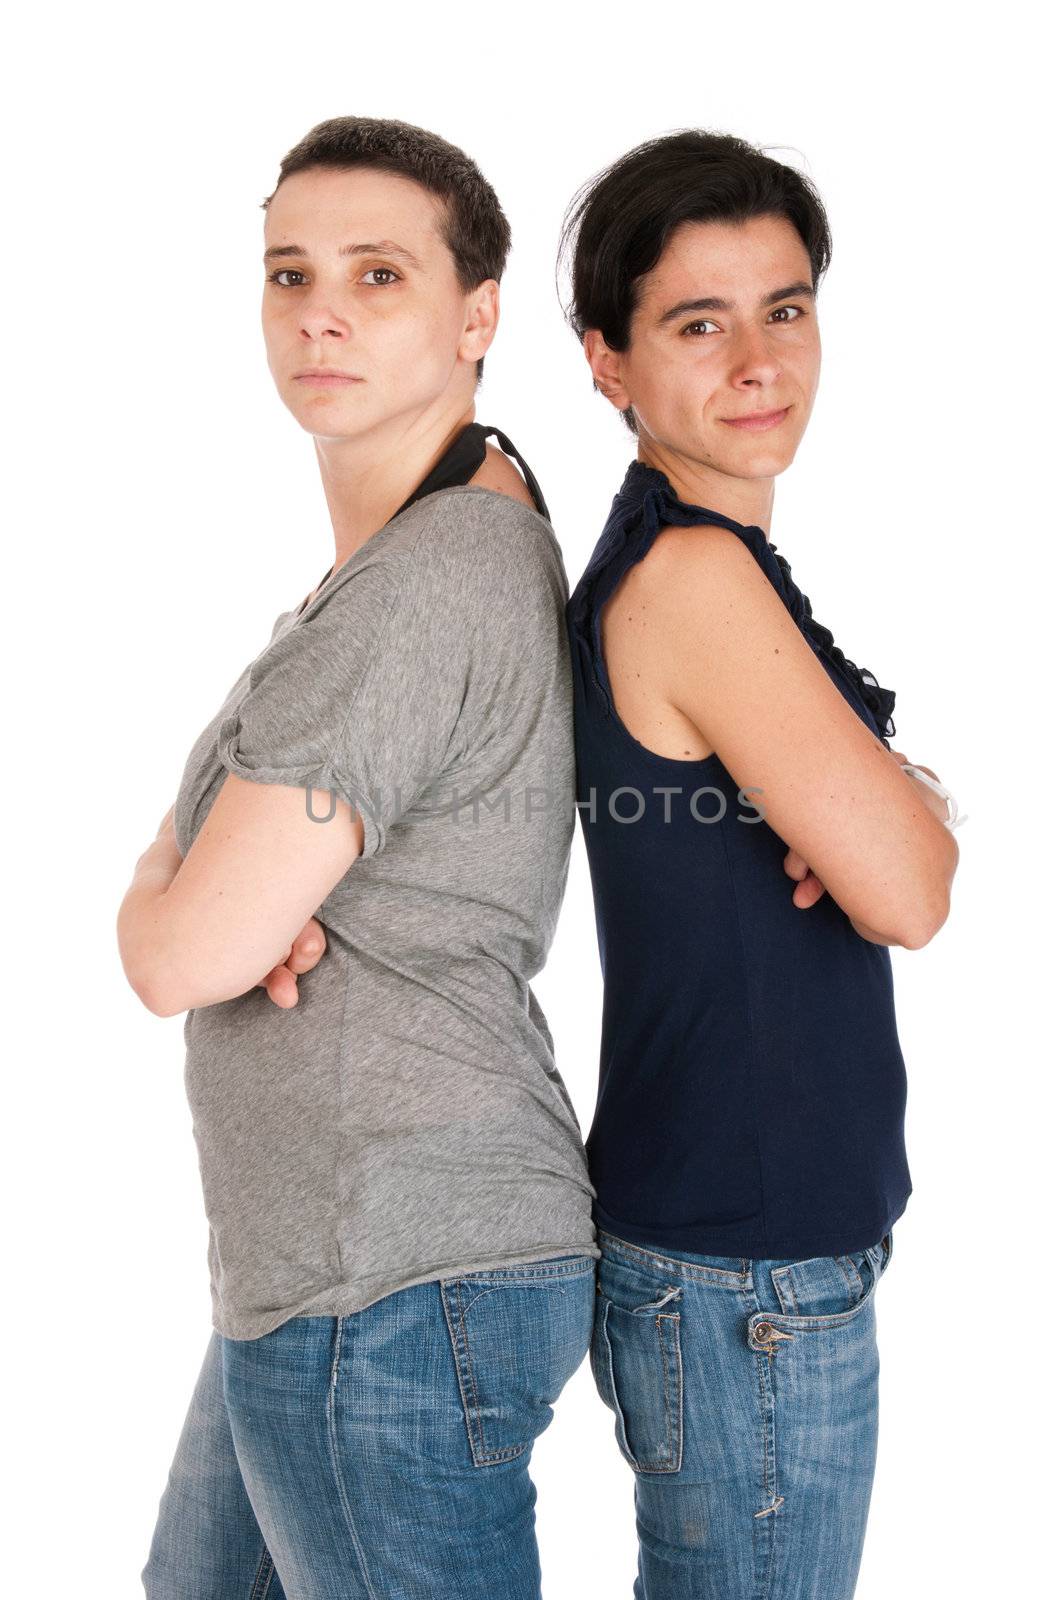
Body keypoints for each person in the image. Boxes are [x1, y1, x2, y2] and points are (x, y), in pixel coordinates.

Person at [117, 115, 597, 1600]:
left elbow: (180, 955)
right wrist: (211, 873)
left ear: (476, 316)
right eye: (289, 272)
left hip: (388, 1278)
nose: (318, 310)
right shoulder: (428, 548)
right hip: (336, 1274)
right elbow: (220, 917)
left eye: (378, 274)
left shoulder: (427, 582)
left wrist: (172, 882)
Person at [558, 129, 960, 1598]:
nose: (758, 360)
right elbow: (911, 889)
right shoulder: (695, 576)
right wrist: (879, 818)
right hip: (750, 1277)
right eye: (696, 323)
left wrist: (875, 799)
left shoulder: (713, 554)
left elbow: (894, 838)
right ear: (607, 360)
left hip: (739, 1260)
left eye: (784, 308)